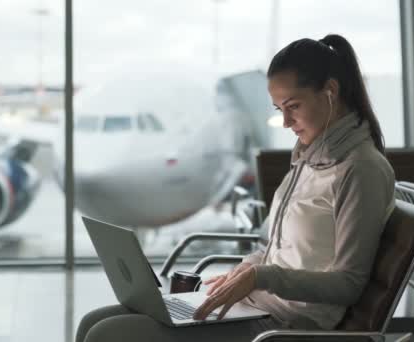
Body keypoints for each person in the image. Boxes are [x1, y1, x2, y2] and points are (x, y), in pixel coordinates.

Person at [76, 33, 396, 342]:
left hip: (288, 324)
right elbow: (282, 253)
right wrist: (245, 270)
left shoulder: (361, 170)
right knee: (94, 321)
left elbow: (349, 284)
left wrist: (260, 277)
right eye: (279, 109)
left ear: (330, 91)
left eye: (293, 106)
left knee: (107, 335)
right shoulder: (309, 161)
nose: (285, 122)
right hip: (257, 306)